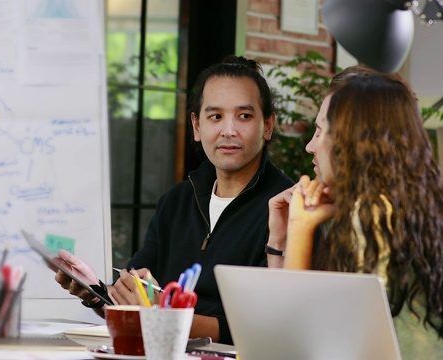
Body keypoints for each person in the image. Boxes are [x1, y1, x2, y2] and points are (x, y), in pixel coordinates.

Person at [268, 65, 443, 359]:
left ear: (354, 142)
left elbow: (295, 341)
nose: (311, 145)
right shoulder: (409, 205)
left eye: (322, 131)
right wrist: (283, 238)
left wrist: (299, 227)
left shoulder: (375, 216)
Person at [49, 55, 293, 344]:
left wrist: (163, 316)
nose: (229, 130)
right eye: (215, 116)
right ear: (196, 126)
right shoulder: (176, 201)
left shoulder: (285, 210)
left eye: (244, 116)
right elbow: (137, 305)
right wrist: (96, 291)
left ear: (268, 125)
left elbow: (263, 330)